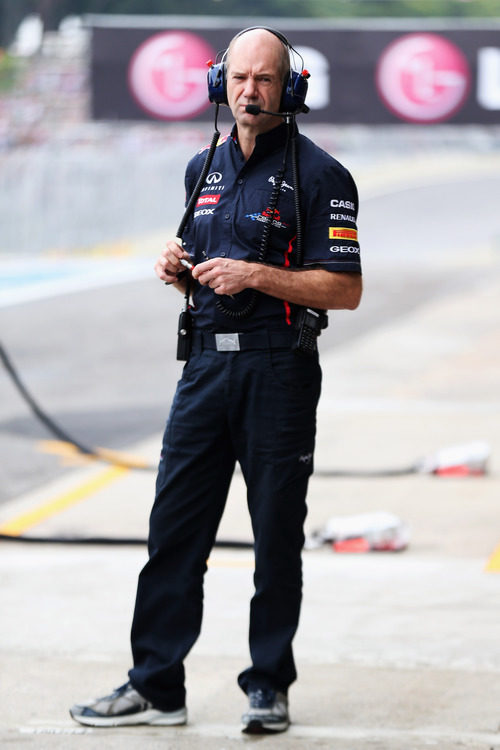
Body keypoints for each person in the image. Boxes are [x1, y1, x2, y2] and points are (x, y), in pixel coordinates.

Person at [70, 26, 362, 734]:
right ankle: (156, 686)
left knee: (274, 540)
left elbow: (345, 290)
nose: (249, 91)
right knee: (173, 533)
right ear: (218, 84)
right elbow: (207, 277)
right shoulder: (200, 168)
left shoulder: (325, 176)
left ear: (289, 88)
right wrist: (180, 275)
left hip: (278, 368)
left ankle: (269, 686)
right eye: (238, 78)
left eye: (264, 79)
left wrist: (257, 274)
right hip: (204, 366)